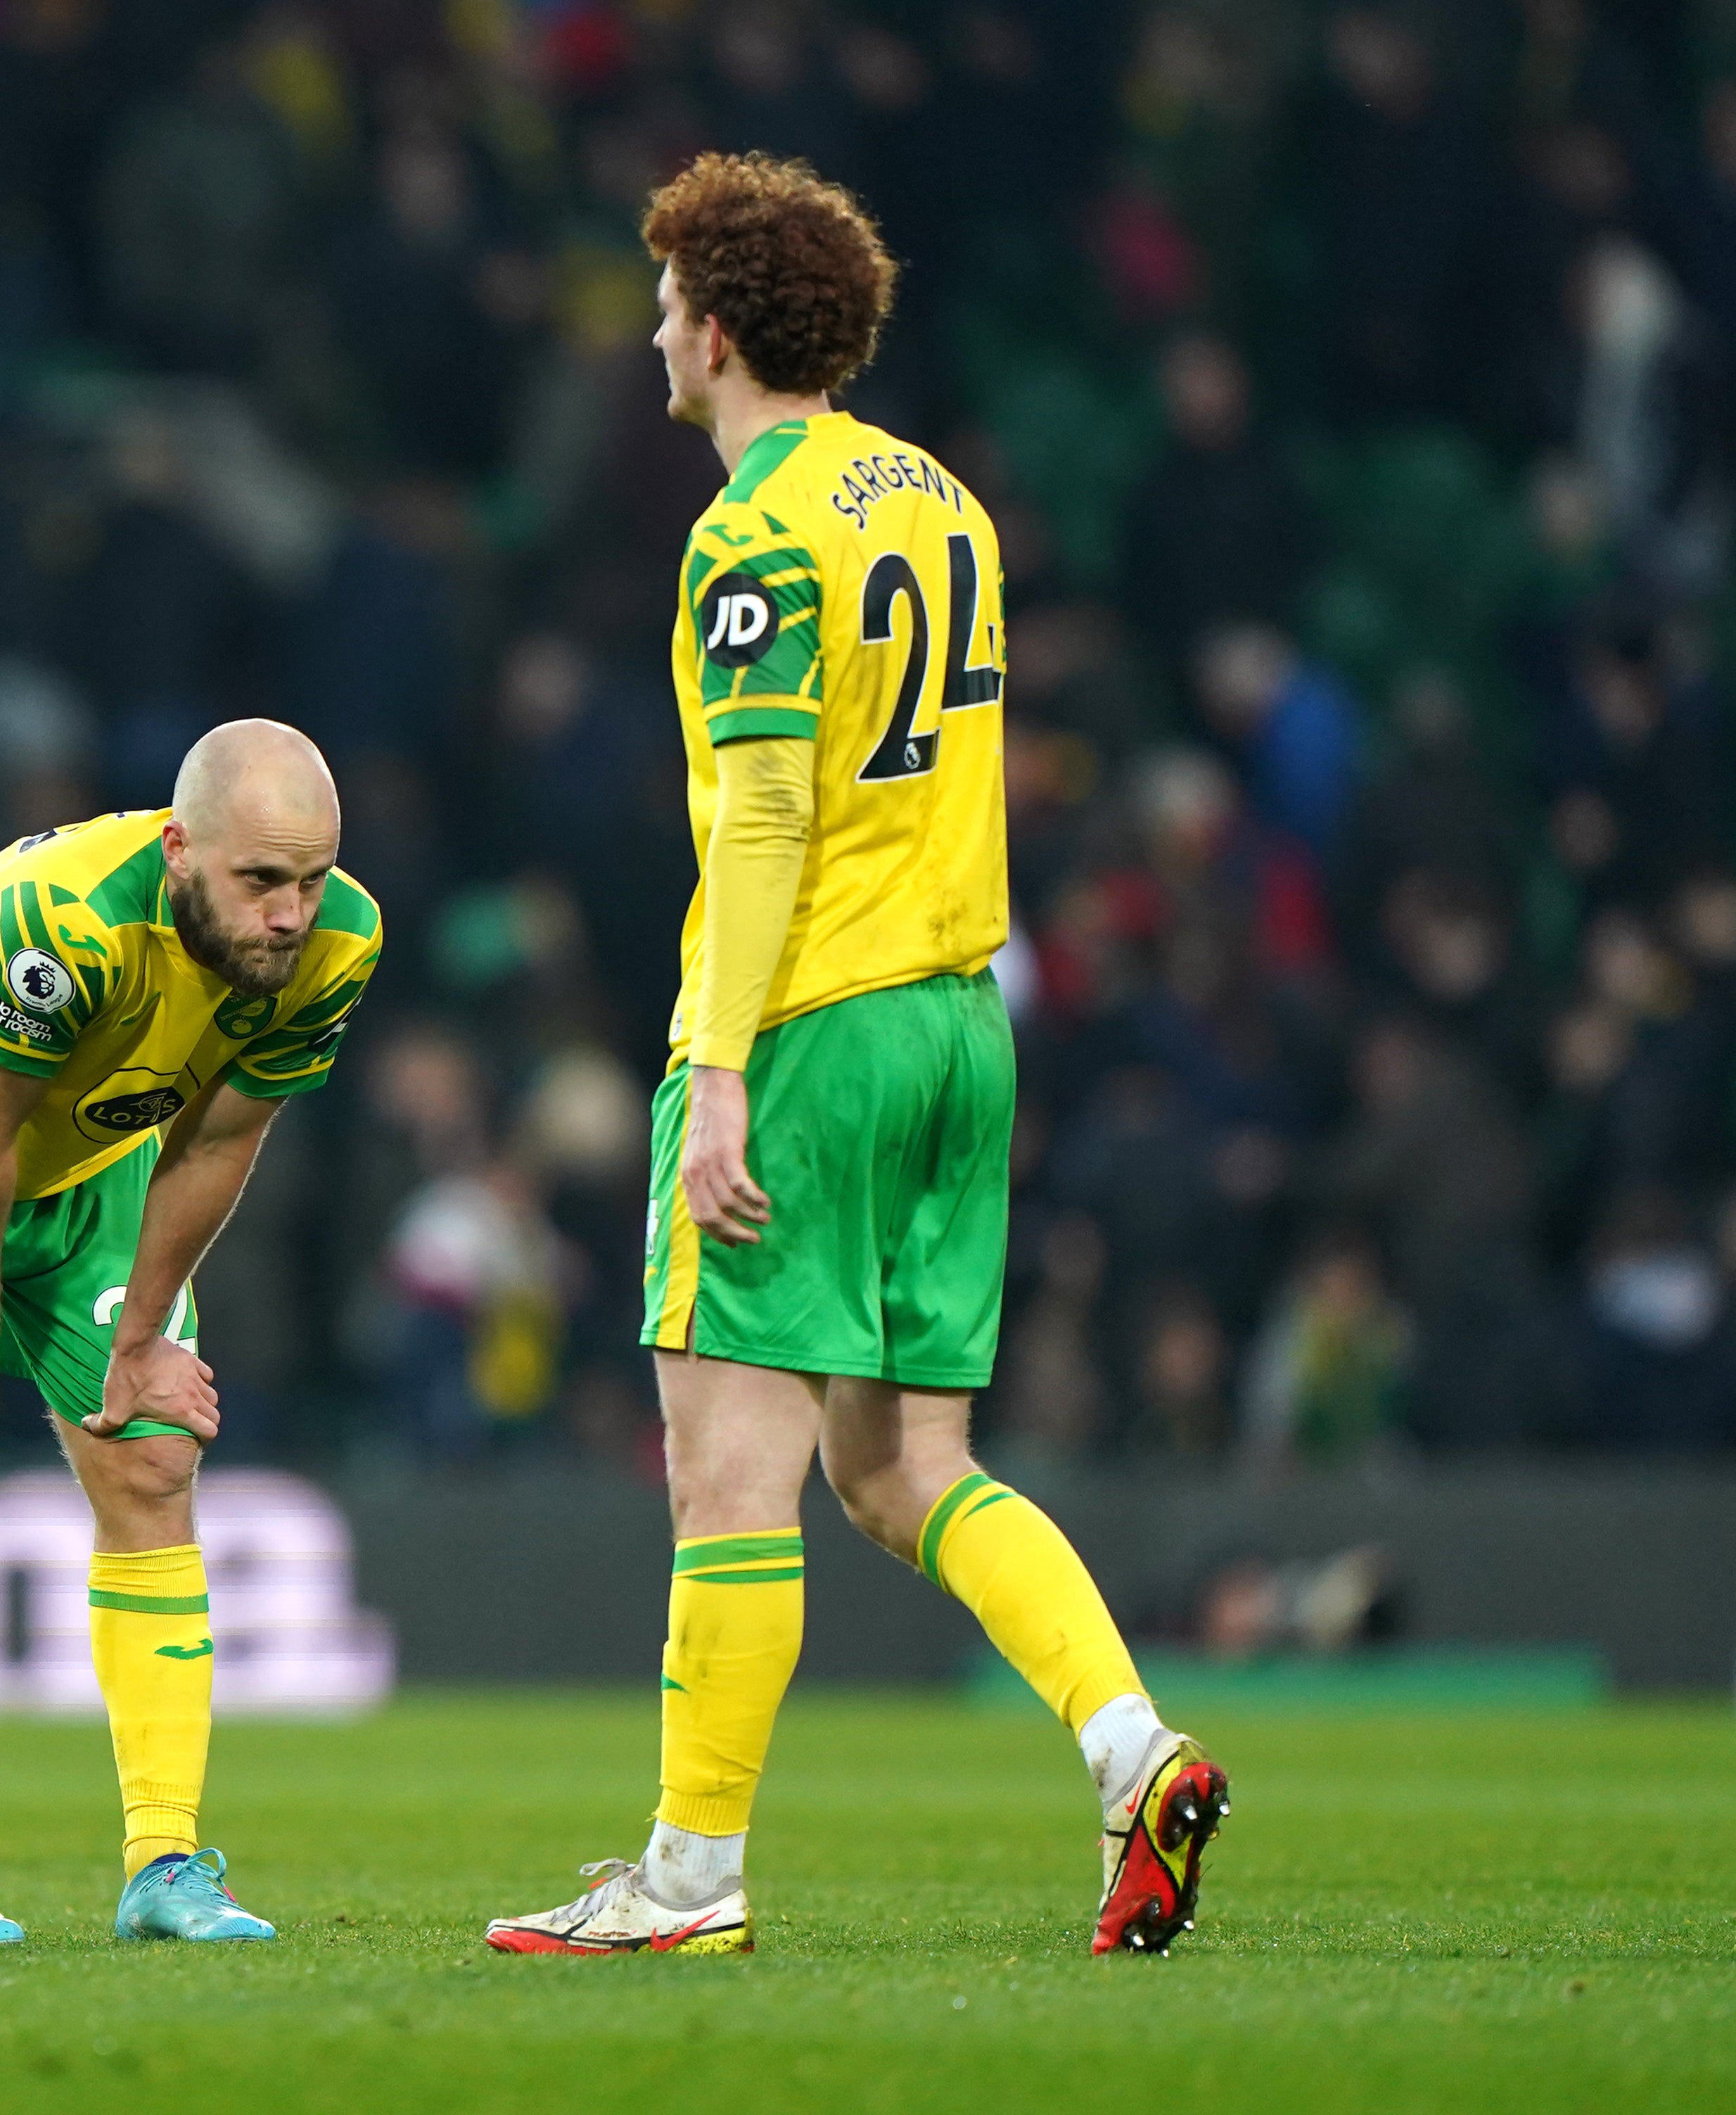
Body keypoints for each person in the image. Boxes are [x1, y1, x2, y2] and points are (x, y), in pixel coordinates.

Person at [483, 155, 1227, 1961]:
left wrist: (718, 1069)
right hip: (965, 1024)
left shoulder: (751, 531)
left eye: (667, 302)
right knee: (904, 1472)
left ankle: (687, 1875)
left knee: (725, 1478)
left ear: (718, 328)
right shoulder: (949, 505)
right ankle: (1134, 1750)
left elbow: (760, 815)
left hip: (809, 1027)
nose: (656, 328)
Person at [0, 720, 382, 1946]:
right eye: (260, 881)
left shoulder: (340, 944)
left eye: (311, 879)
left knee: (155, 1447)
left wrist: (147, 1334)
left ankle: (167, 1864)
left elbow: (221, 1138)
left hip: (99, 1142)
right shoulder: (65, 921)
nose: (290, 914)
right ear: (180, 851)